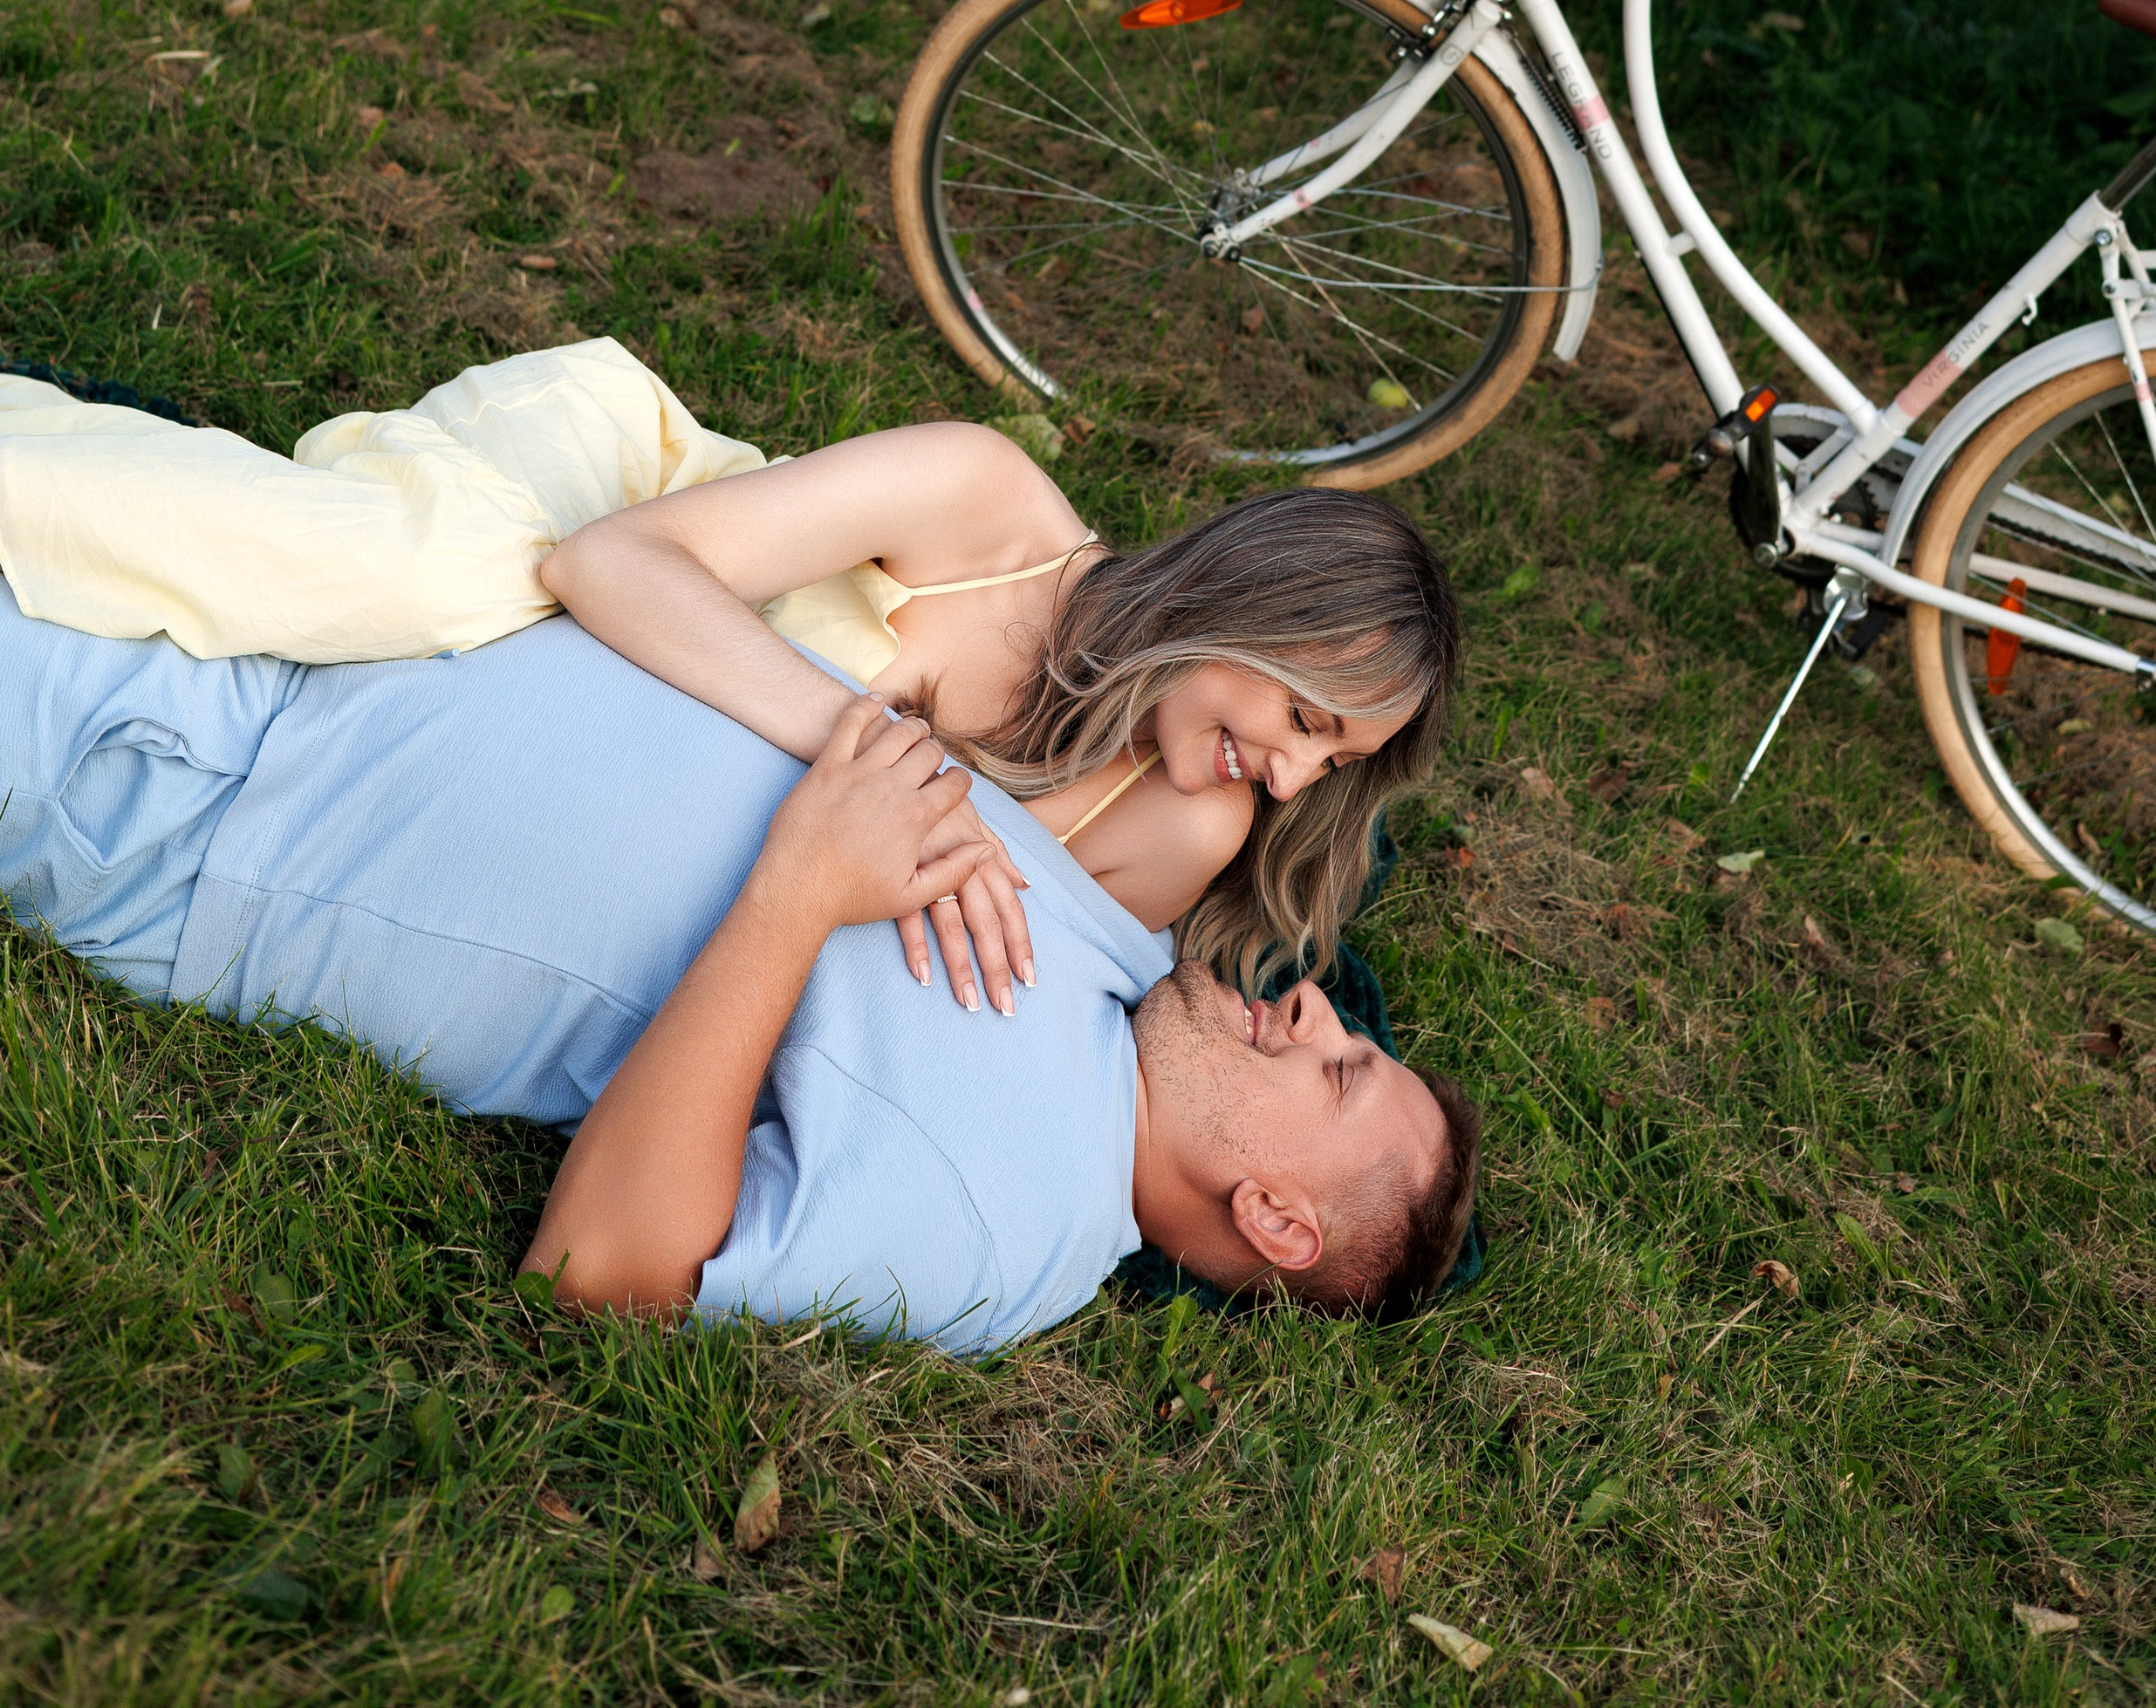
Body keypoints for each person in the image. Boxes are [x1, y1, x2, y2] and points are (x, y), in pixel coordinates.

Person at [0, 584, 1483, 1345]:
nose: (1312, 1009)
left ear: (1277, 1217)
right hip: (334, 616)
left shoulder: (1004, 1226)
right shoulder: (1119, 958)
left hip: (205, 795)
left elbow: (605, 1276)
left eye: (1344, 1066)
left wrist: (796, 896)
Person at [0, 340, 1459, 1016]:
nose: (1289, 779)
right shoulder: (985, 502)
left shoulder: (1179, 825)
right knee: (428, 582)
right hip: (598, 518)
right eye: (1303, 721)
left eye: (1331, 767)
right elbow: (609, 565)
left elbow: (936, 969)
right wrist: (872, 754)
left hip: (622, 698)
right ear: (1244, 612)